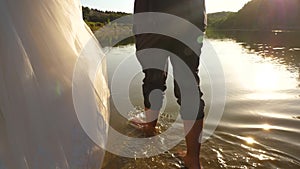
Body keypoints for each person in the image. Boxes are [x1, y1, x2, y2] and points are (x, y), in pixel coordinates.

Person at [131, 0, 207, 168]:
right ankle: (193, 160)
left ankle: (150, 129)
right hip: (189, 15)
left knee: (153, 78)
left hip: (151, 17)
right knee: (188, 85)